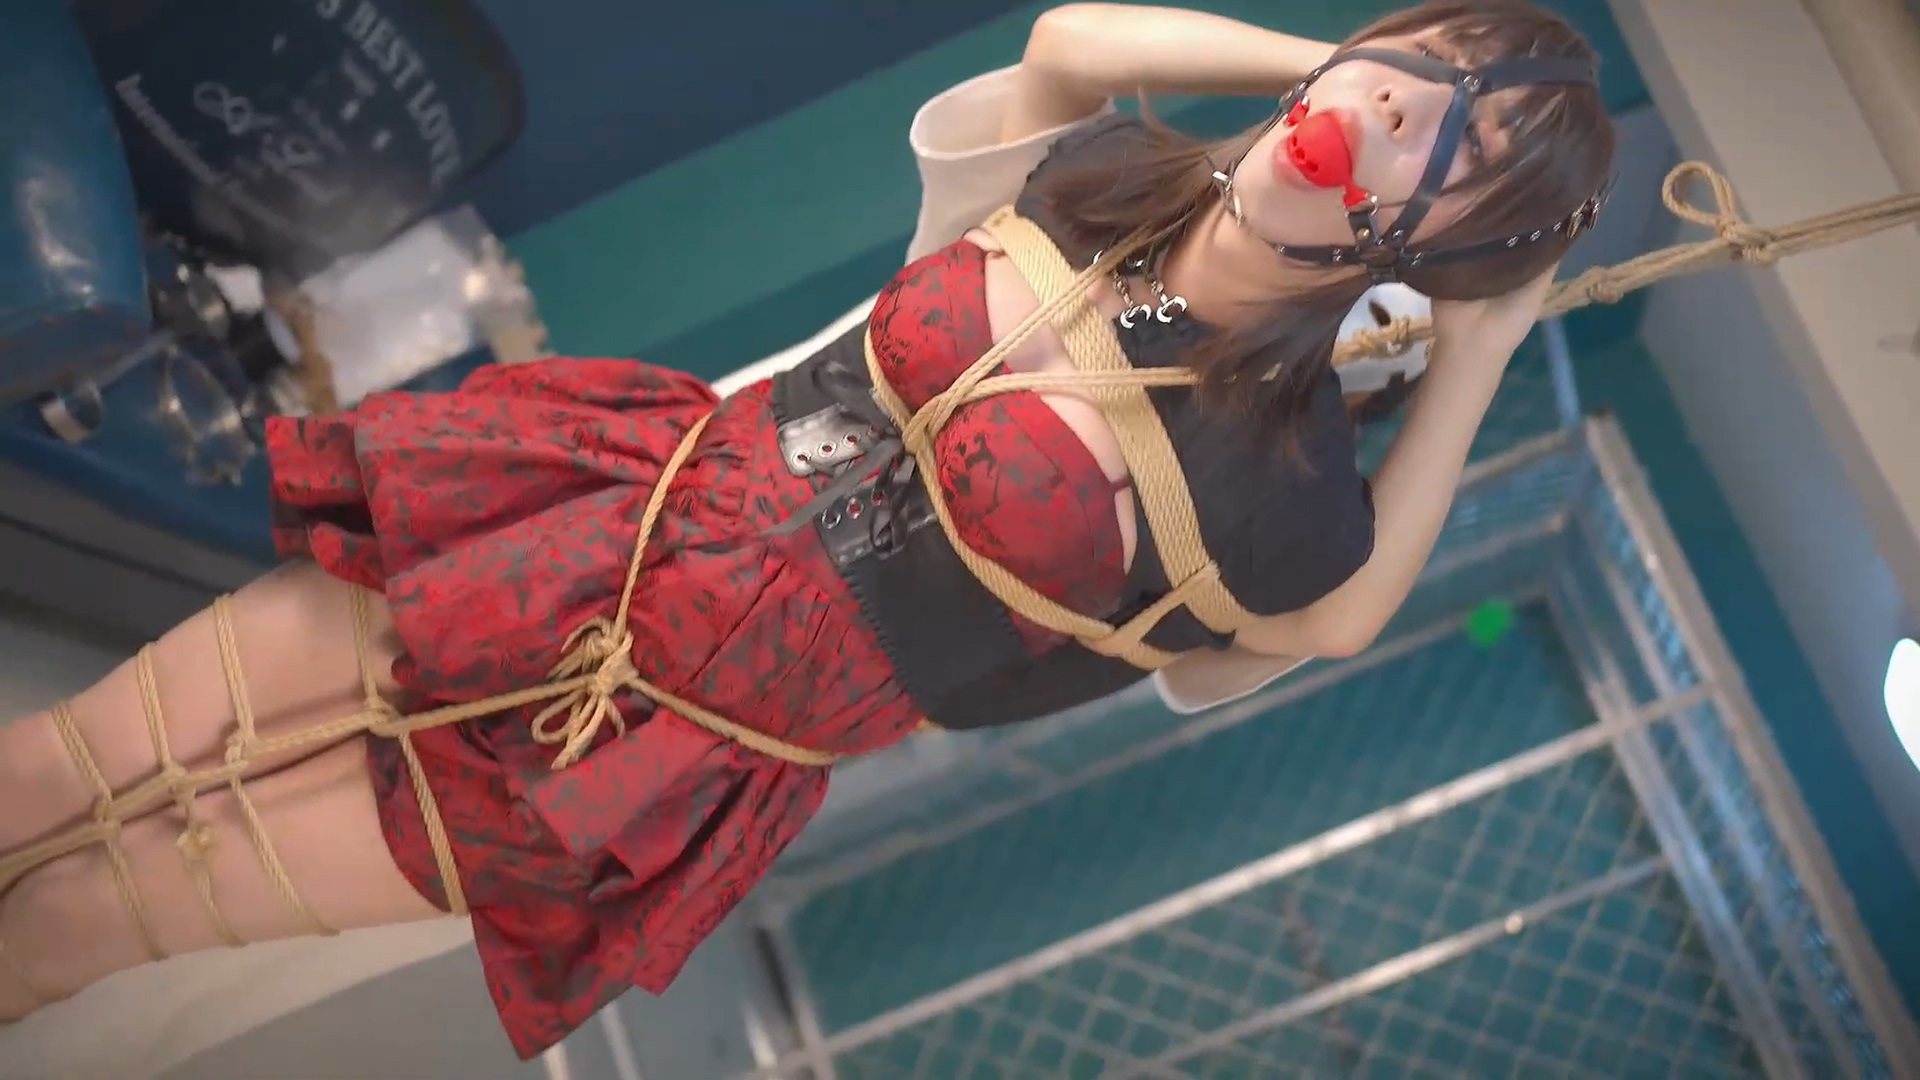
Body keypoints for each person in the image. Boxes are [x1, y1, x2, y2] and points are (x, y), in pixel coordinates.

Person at [0, 0, 1614, 1058]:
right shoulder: (1100, 176)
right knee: (62, 765)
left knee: (95, 919)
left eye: (1450, 150)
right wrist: (1360, 71)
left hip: (661, 758)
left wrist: (1478, 340)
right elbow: (1067, 38)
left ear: (1449, 243)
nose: (1391, 112)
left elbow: (1339, 619)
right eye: (1411, 66)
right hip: (587, 526)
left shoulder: (1284, 493)